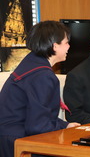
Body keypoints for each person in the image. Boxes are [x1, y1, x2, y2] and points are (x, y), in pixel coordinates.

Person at [0, 20, 80, 157]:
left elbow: (40, 115)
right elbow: (38, 126)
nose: (68, 47)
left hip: (9, 137)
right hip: (18, 143)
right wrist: (66, 131)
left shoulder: (32, 63)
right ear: (55, 46)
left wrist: (65, 125)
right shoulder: (42, 76)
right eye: (66, 42)